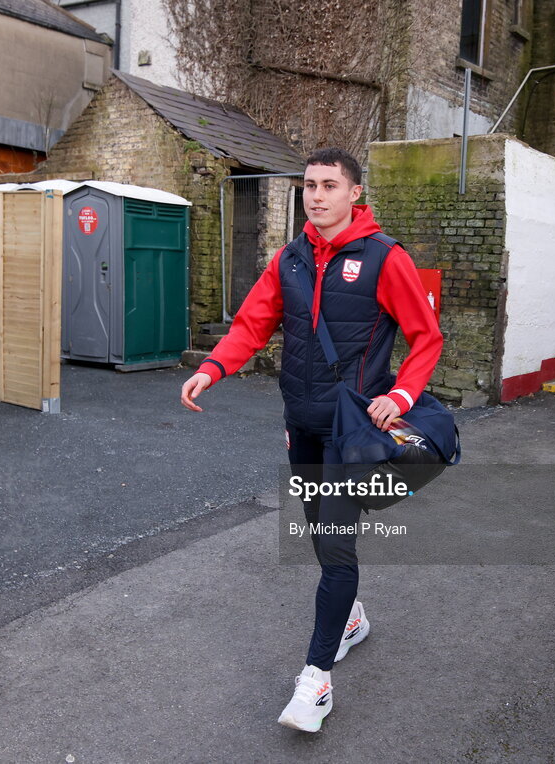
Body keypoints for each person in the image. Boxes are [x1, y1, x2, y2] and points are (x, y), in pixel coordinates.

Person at [179, 147, 443, 732]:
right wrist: (214, 367)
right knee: (321, 536)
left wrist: (399, 397)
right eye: (309, 186)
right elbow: (252, 322)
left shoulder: (384, 258)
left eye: (328, 185)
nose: (316, 196)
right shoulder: (290, 259)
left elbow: (427, 337)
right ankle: (350, 621)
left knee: (335, 547)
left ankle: (315, 682)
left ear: (354, 193)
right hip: (300, 424)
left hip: (350, 433)